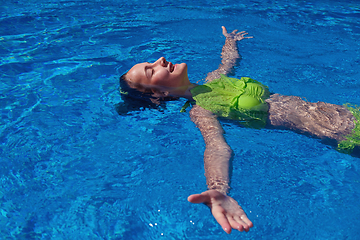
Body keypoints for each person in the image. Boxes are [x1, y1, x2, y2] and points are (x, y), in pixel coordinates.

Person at [118, 26, 360, 234]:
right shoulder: (200, 111)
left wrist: (230, 41)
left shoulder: (213, 79)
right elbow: (216, 146)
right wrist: (218, 189)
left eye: (151, 62)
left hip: (345, 113)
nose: (159, 60)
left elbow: (228, 62)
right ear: (160, 94)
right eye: (151, 70)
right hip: (342, 134)